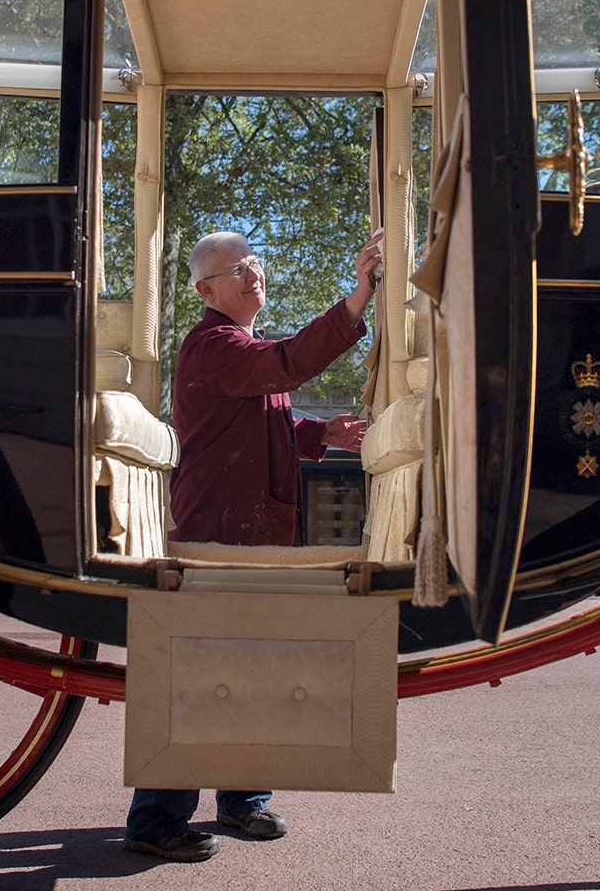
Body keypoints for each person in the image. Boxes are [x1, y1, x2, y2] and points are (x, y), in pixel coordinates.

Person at [123, 227, 385, 863]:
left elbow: (271, 418)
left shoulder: (234, 347)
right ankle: (156, 818)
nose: (253, 274)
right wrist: (356, 301)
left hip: (248, 529)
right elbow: (286, 364)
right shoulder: (211, 344)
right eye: (238, 269)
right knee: (201, 666)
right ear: (206, 289)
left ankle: (242, 801)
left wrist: (324, 432)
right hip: (220, 532)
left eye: (254, 263)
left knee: (256, 659)